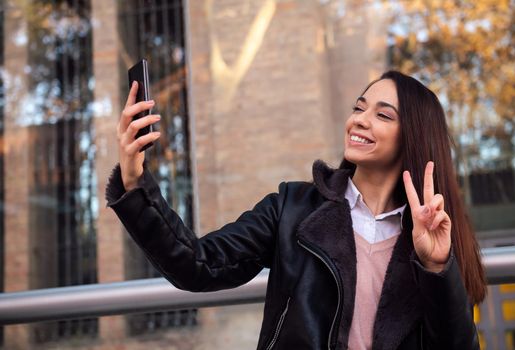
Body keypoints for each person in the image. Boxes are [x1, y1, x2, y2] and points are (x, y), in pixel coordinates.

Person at [106, 70, 486, 349]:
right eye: (359, 107)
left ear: (414, 137)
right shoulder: (293, 207)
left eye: (383, 115)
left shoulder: (431, 232)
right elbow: (197, 265)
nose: (359, 119)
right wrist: (134, 180)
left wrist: (437, 267)